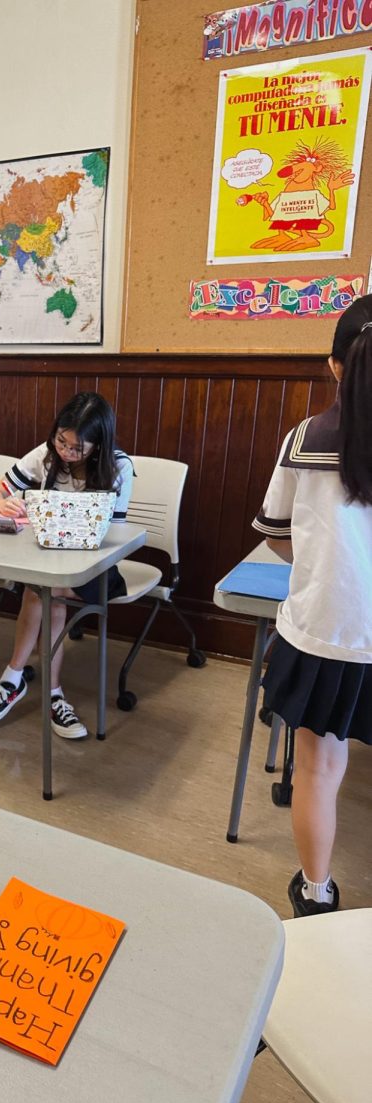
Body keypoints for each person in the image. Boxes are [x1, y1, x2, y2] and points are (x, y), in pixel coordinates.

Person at [253, 296, 372, 917]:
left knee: (317, 768)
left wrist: (324, 561)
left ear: (334, 366)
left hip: (324, 630)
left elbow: (274, 530)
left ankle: (316, 891)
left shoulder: (306, 438)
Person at [0, 392, 133, 738]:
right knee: (44, 589)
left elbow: (117, 536)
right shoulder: (48, 456)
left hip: (97, 567)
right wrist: (3, 506)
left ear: (99, 446)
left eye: (76, 448)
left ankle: (13, 681)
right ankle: (51, 694)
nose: (65, 452)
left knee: (42, 591)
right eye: (60, 441)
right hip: (49, 561)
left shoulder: (119, 467)